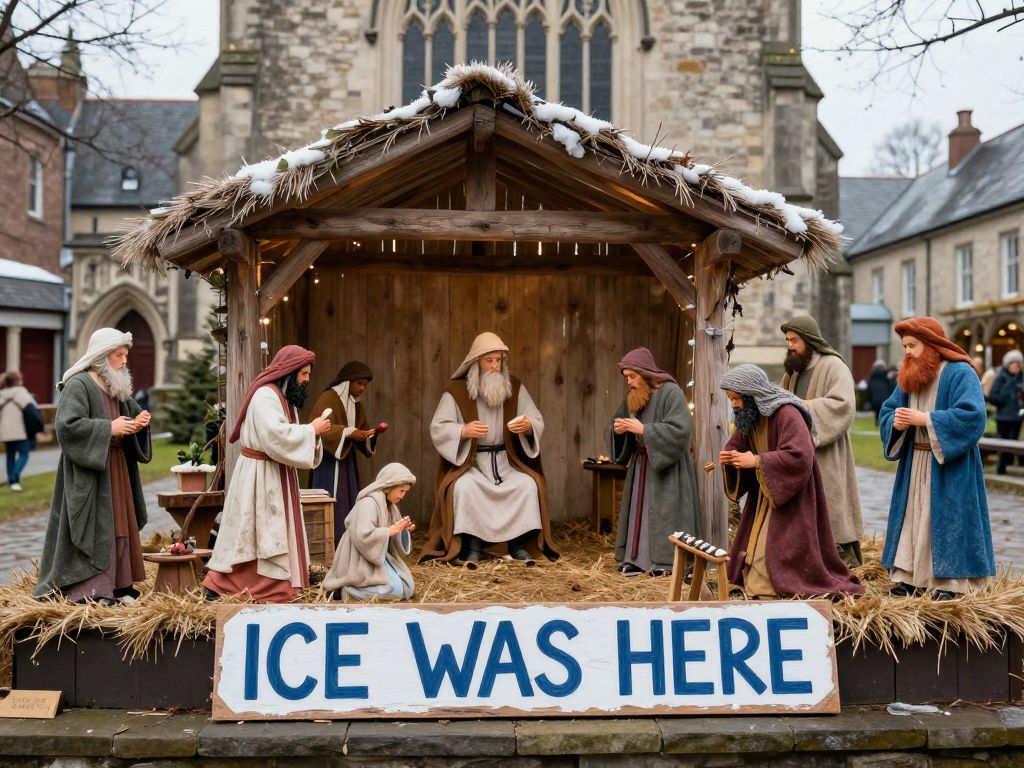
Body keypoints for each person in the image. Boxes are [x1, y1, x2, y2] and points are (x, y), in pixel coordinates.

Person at [719, 364, 863, 599]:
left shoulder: (787, 413)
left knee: (777, 548)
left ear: (752, 395)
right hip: (765, 492)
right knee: (755, 546)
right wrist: (730, 457)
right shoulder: (749, 415)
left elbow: (800, 455)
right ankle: (757, 586)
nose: (734, 404)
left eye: (736, 399)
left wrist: (756, 461)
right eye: (731, 399)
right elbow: (738, 443)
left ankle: (772, 589)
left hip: (791, 494)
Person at [420, 331, 559, 567]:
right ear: (476, 362)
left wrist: (527, 426)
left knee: (526, 485)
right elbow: (439, 427)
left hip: (506, 461)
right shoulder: (456, 391)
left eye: (499, 360)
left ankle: (516, 546)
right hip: (472, 464)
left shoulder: (513, 386)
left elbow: (535, 418)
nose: (495, 366)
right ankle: (473, 546)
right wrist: (463, 431)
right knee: (464, 487)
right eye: (489, 360)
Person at [33, 329, 152, 603]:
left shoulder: (115, 385)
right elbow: (67, 426)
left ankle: (120, 584)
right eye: (118, 355)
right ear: (101, 357)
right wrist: (108, 428)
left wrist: (140, 420)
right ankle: (92, 588)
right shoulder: (79, 384)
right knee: (95, 525)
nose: (124, 361)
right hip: (91, 470)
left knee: (120, 523)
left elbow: (128, 413)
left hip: (117, 468)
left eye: (125, 356)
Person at [203, 345, 330, 602]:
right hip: (259, 475)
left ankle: (279, 586)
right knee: (255, 531)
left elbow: (285, 435)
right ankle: (228, 586)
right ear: (290, 372)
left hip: (275, 473)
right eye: (304, 374)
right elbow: (275, 436)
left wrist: (311, 434)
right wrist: (311, 431)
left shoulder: (284, 398)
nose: (307, 379)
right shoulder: (265, 396)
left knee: (271, 531)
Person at [879, 317, 994, 600]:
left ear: (930, 344)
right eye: (904, 345)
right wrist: (896, 422)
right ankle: (909, 576)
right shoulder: (910, 373)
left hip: (949, 464)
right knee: (913, 517)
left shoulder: (959, 373)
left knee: (946, 520)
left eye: (912, 345)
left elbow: (973, 415)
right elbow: (888, 410)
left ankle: (949, 583)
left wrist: (926, 419)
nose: (906, 351)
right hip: (914, 462)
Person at [779, 316, 865, 567]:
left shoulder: (833, 366)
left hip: (826, 451)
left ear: (809, 340)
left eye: (794, 340)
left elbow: (843, 405)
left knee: (831, 504)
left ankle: (841, 562)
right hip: (799, 452)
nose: (790, 345)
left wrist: (804, 407)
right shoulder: (793, 372)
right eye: (787, 340)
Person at [609, 348, 698, 576]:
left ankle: (666, 563)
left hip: (667, 470)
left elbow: (681, 431)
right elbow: (617, 424)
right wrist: (619, 430)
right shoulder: (634, 396)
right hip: (640, 466)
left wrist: (645, 430)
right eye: (626, 377)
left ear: (645, 373)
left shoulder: (671, 392)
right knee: (639, 511)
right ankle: (635, 559)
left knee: (664, 513)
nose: (628, 381)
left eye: (632, 376)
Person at [321, 463, 416, 601]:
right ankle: (350, 590)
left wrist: (402, 530)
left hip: (378, 557)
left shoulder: (391, 506)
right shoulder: (368, 503)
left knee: (408, 587)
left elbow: (392, 534)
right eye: (401, 491)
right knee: (394, 591)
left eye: (405, 491)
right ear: (389, 486)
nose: (403, 496)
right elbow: (363, 535)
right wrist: (389, 531)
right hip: (359, 561)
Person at [309, 360, 379, 544]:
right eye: (360, 383)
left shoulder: (356, 404)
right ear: (348, 380)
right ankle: (331, 543)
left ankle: (347, 541)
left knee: (348, 500)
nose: (363, 388)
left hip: (346, 461)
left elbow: (361, 430)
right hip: (329, 462)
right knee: (332, 501)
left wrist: (369, 435)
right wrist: (348, 432)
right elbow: (320, 429)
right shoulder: (328, 398)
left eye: (365, 384)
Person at [987, 349, 1024, 475]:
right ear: (1008, 365)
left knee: (1014, 442)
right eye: (1013, 364)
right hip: (1003, 417)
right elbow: (993, 397)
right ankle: (1001, 468)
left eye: (1018, 364)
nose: (1016, 366)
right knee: (1003, 443)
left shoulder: (1022, 378)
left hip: (1018, 417)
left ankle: (1008, 465)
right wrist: (1007, 389)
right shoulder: (1001, 377)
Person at [0, 371, 39, 491]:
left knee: (10, 456)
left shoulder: (1, 394)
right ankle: (15, 476)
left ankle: (12, 481)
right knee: (24, 454)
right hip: (21, 431)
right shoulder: (22, 393)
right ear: (18, 381)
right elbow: (33, 411)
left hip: (6, 431)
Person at [867, 360, 896, 425]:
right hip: (885, 399)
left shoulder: (872, 378)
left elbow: (869, 391)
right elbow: (891, 388)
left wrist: (870, 401)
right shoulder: (887, 377)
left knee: (878, 411)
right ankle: (881, 421)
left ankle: (877, 420)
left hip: (875, 400)